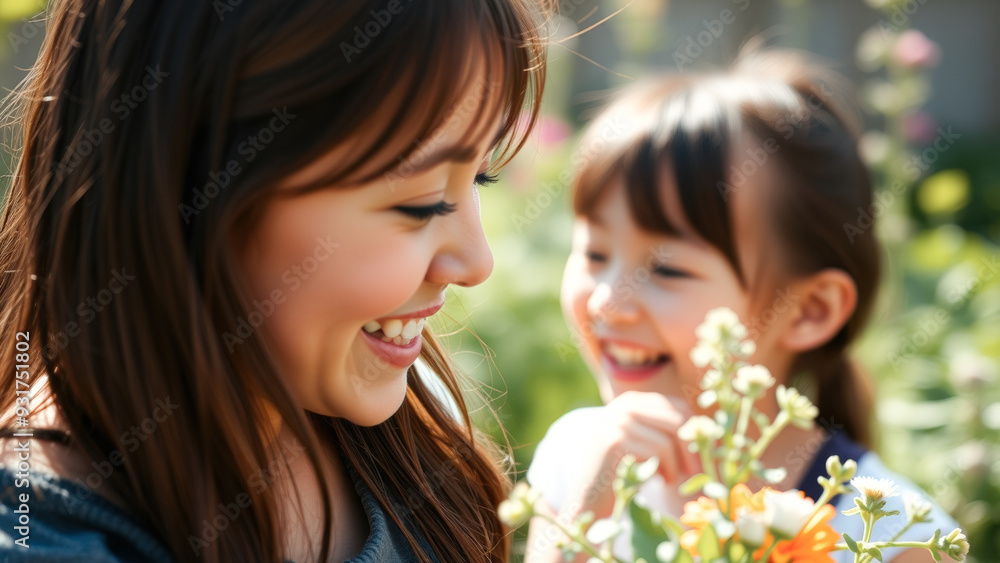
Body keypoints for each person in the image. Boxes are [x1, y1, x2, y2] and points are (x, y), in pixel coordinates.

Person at [0, 0, 547, 561]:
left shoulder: (409, 449)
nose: (478, 262)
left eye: (480, 175)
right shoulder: (41, 542)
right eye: (420, 202)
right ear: (193, 187)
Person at [524, 46, 959, 563]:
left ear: (809, 310)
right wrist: (584, 516)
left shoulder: (891, 532)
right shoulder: (578, 456)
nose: (606, 301)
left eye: (666, 269)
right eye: (594, 253)